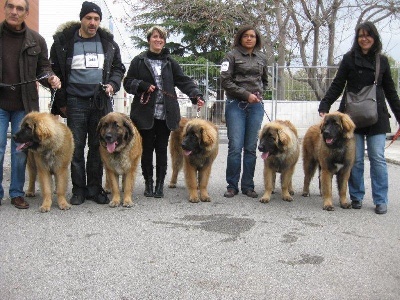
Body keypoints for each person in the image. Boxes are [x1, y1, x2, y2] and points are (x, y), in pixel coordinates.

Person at [318, 21, 400, 215]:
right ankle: (356, 196)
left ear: (374, 37)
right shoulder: (348, 59)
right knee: (355, 161)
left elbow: (390, 91)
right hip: (349, 119)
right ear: (357, 38)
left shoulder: (382, 61)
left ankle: (381, 200)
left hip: (376, 117)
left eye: (368, 35)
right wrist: (325, 105)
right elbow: (337, 84)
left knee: (377, 157)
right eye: (361, 35)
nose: (364, 38)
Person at [50, 1, 125, 205]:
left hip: (100, 103)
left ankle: (94, 188)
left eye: (96, 19)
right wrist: (62, 100)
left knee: (97, 146)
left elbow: (119, 68)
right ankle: (79, 190)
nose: (92, 23)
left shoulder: (108, 43)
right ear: (81, 19)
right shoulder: (65, 41)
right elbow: (54, 71)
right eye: (89, 18)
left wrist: (112, 84)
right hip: (75, 101)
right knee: (76, 147)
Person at [123, 26, 204, 198]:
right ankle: (148, 183)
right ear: (149, 39)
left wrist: (195, 95)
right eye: (155, 37)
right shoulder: (139, 60)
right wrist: (142, 86)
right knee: (146, 149)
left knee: (161, 149)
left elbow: (183, 80)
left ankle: (160, 184)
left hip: (166, 114)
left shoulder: (170, 62)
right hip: (145, 114)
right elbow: (128, 83)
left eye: (161, 38)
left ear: (164, 41)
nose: (158, 40)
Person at [0, 0, 61, 209]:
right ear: (5, 9)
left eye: (19, 9)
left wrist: (51, 78)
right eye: (11, 7)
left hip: (24, 107)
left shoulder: (36, 40)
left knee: (20, 151)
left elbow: (43, 69)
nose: (14, 12)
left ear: (26, 13)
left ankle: (16, 192)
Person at [220, 25, 268, 199]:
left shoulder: (262, 57)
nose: (249, 39)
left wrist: (258, 95)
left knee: (250, 148)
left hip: (255, 107)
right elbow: (225, 82)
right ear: (240, 38)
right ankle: (232, 186)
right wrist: (246, 95)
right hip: (235, 105)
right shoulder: (231, 56)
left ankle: (248, 185)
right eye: (246, 36)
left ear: (257, 39)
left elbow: (265, 80)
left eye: (252, 36)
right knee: (235, 147)